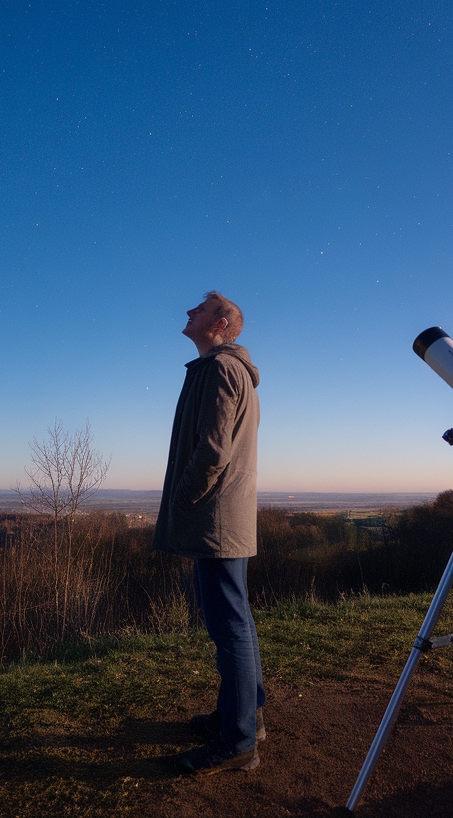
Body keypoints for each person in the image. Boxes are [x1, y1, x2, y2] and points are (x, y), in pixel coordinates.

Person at [153, 291, 266, 775]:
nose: (188, 312)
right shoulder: (228, 369)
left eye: (199, 308)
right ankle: (243, 717)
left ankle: (239, 742)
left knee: (229, 628)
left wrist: (182, 498)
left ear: (220, 324)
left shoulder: (220, 369)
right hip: (225, 519)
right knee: (235, 622)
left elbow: (213, 451)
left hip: (215, 519)